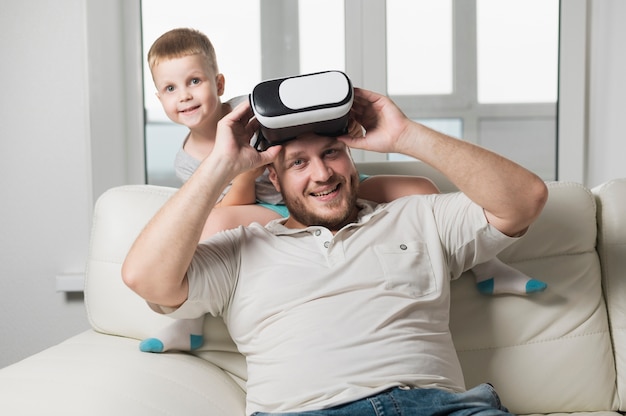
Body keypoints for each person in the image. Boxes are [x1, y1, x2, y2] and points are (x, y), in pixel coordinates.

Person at [122, 87, 548, 415]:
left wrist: (406, 135)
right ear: (272, 175)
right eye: (298, 163)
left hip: (437, 406)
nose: (322, 174)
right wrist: (220, 166)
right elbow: (146, 278)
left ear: (352, 157)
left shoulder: (415, 216)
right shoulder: (242, 247)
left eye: (331, 154)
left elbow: (524, 200)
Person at [142, 28, 546, 354]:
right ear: (158, 97)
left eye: (194, 81)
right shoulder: (189, 162)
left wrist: (366, 132)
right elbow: (227, 211)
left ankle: (486, 263)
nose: (186, 95)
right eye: (172, 89)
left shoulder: (248, 111)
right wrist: (233, 166)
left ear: (218, 82)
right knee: (212, 225)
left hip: (343, 191)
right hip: (272, 205)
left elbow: (317, 129)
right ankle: (188, 321)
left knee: (419, 187)